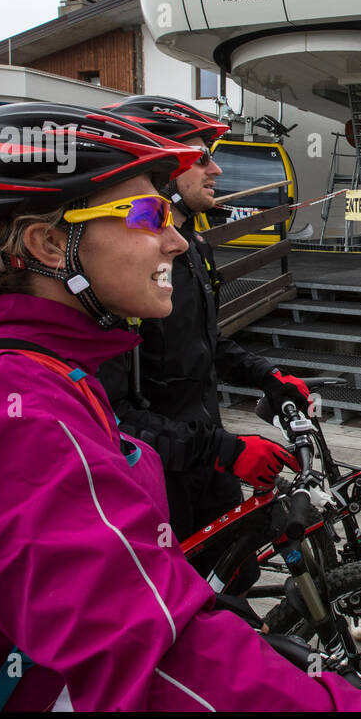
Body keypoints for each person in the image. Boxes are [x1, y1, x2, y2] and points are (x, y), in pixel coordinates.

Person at [0, 102, 361, 711]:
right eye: (146, 214)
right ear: (46, 243)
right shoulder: (17, 414)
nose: (172, 238)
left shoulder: (37, 367)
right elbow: (152, 660)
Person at [96, 96, 310, 544]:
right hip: (157, 474)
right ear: (162, 170)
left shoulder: (193, 246)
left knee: (236, 570)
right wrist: (221, 450)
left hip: (206, 448)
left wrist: (267, 376)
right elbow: (107, 416)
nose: (216, 170)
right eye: (201, 159)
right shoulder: (117, 274)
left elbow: (204, 341)